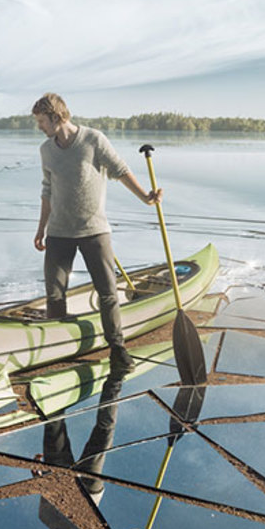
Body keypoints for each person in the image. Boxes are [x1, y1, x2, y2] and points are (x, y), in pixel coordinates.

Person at [32, 92, 162, 373]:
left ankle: (117, 348)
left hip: (94, 231)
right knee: (55, 294)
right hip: (58, 232)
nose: (39, 127)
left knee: (108, 292)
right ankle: (57, 350)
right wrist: (41, 229)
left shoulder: (93, 140)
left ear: (56, 116)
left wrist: (145, 197)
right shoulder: (46, 150)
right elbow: (47, 191)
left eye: (42, 121)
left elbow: (120, 170)